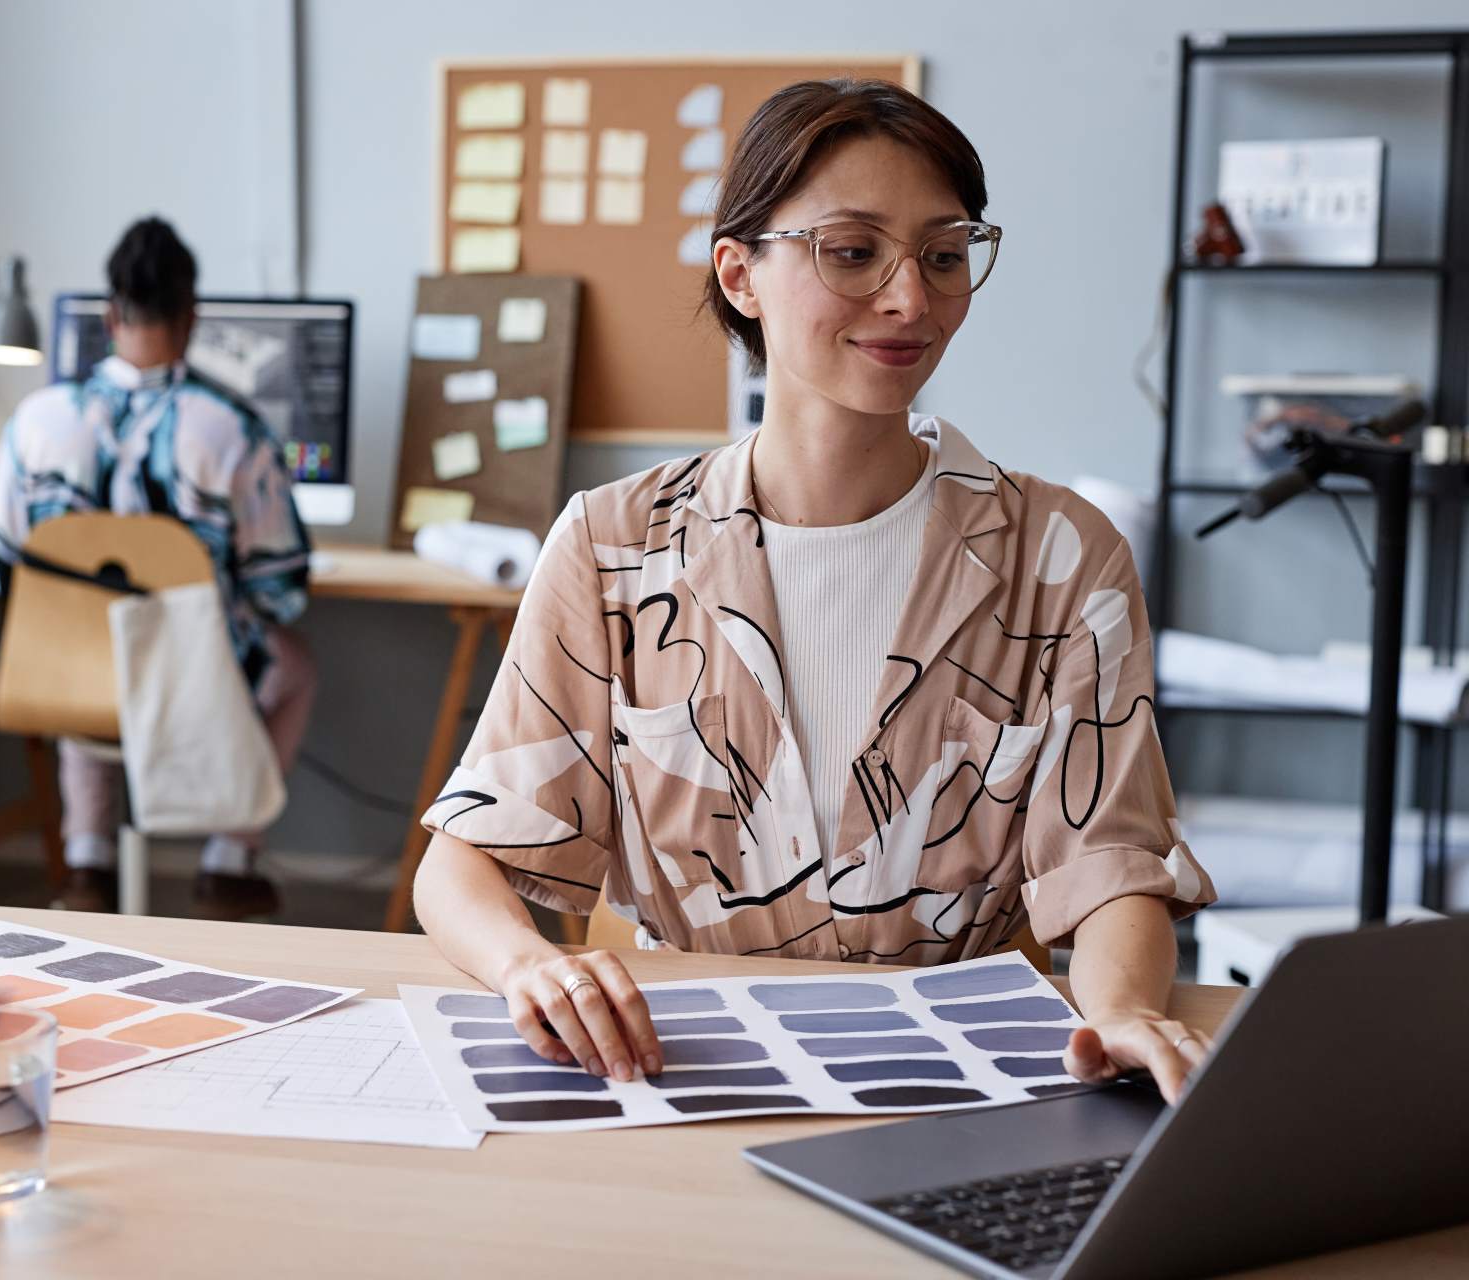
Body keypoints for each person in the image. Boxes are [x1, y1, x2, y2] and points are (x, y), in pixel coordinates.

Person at [412, 80, 1217, 1104]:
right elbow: (463, 859)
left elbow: (1109, 863)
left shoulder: (1061, 553)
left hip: (954, 1086)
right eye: (852, 251)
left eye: (942, 253)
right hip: (678, 1069)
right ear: (740, 273)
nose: (909, 299)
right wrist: (530, 965)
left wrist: (1121, 1011)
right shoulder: (613, 544)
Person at [0, 216, 316, 917]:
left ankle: (87, 865)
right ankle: (228, 860)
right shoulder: (232, 428)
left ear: (110, 315)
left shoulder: (34, 422)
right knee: (295, 666)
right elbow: (280, 588)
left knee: (87, 647)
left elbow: (6, 573)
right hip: (188, 680)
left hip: (65, 672)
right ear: (191, 318)